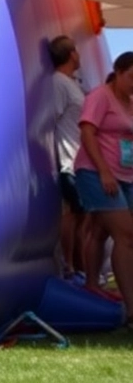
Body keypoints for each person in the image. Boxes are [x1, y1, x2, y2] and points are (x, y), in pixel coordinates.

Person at [72, 51, 133, 321]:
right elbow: (87, 131)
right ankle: (132, 309)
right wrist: (104, 172)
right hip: (97, 173)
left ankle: (93, 284)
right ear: (118, 72)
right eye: (131, 77)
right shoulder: (99, 96)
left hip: (125, 175)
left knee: (99, 231)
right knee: (127, 235)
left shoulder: (129, 102)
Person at [50, 36, 96, 280]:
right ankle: (68, 266)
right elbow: (53, 119)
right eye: (76, 50)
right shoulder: (58, 82)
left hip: (83, 161)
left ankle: (79, 267)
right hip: (70, 160)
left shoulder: (73, 82)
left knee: (83, 216)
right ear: (71, 54)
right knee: (73, 214)